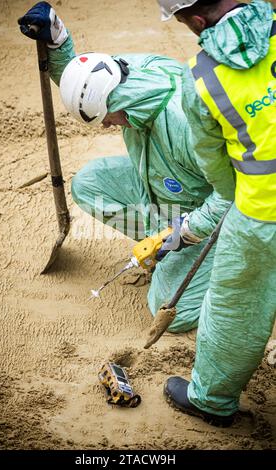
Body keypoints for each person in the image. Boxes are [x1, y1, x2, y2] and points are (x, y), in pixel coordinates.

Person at [18, 2, 234, 334]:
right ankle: (169, 250)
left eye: (107, 119)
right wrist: (57, 40)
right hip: (164, 187)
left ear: (116, 103)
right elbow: (83, 82)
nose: (107, 126)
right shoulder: (123, 72)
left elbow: (230, 197)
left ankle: (232, 270)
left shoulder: (186, 124)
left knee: (169, 305)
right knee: (89, 184)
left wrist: (180, 234)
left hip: (213, 218)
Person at [157, 0, 276, 426]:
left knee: (234, 306)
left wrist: (235, 201)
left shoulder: (203, 77)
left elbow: (214, 161)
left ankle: (210, 399)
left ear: (196, 21)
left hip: (263, 212)